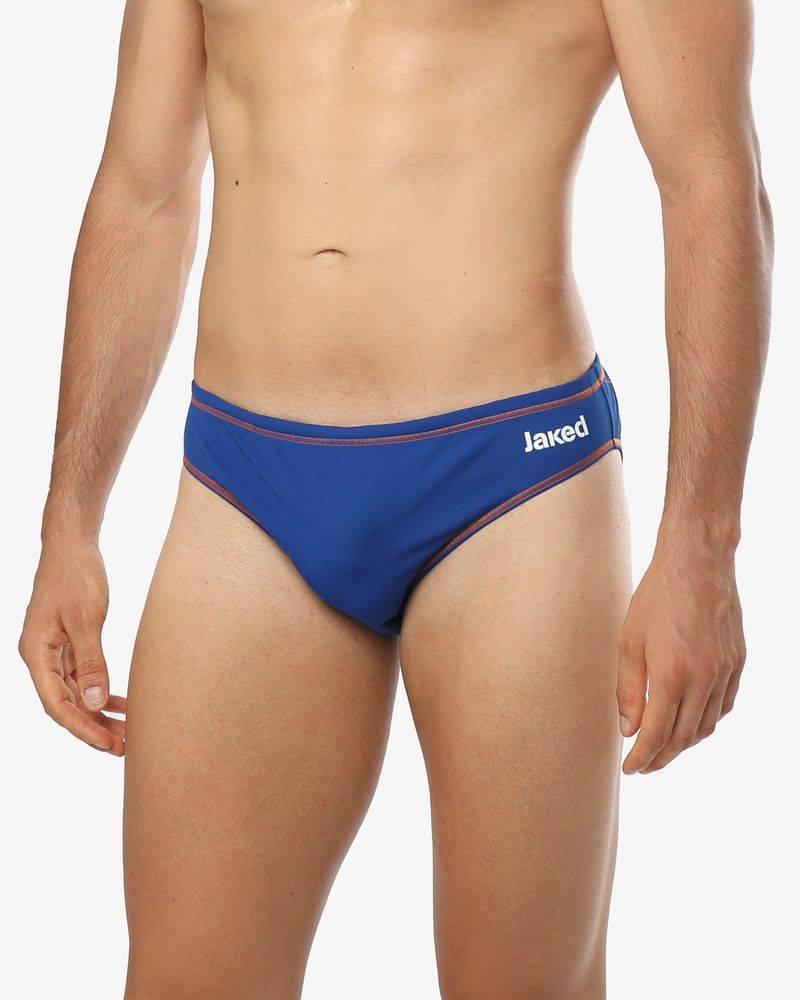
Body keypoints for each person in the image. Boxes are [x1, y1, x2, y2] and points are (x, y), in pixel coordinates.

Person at [19, 1, 772, 997]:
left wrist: (702, 548)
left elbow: (713, 182)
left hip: (512, 479)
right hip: (245, 478)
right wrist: (68, 522)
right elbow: (142, 188)